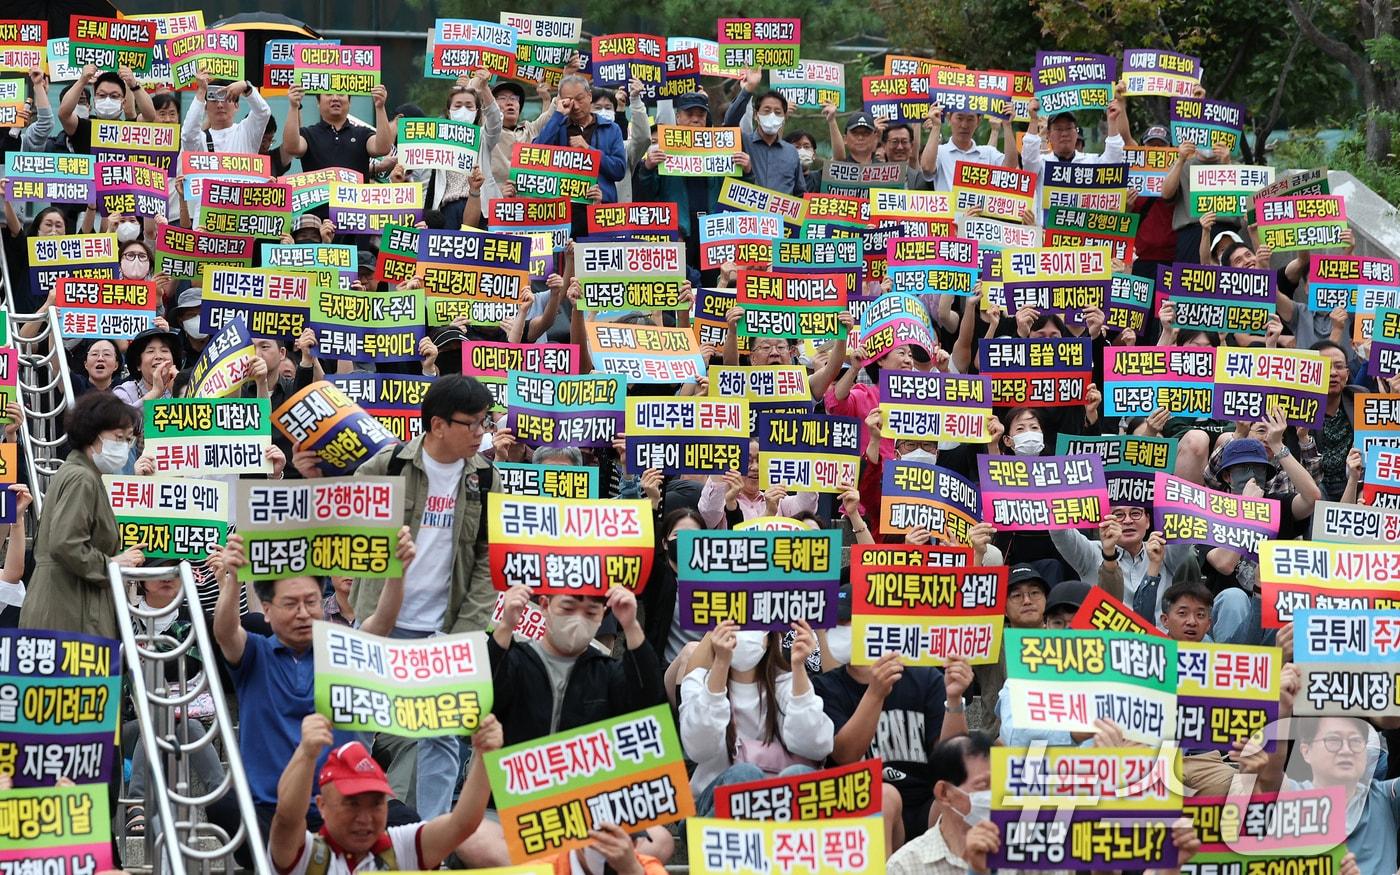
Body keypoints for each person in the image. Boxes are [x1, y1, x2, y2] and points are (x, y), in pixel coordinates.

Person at [211, 529, 418, 854]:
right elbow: (225, 630)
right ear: (266, 610)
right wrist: (233, 578)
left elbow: (381, 623)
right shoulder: (255, 654)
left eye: (310, 602)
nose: (303, 612)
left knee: (411, 829)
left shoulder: (342, 648)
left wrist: (398, 571)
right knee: (224, 808)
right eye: (290, 604)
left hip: (344, 806)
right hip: (272, 809)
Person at [269, 712, 501, 874]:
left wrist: (484, 756)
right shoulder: (306, 855)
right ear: (321, 806)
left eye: (376, 803)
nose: (365, 817)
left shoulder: (400, 846)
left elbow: (462, 824)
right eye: (352, 804)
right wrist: (307, 753)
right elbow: (287, 817)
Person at [813, 639, 972, 850]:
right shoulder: (826, 686)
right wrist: (875, 692)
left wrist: (954, 699)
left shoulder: (925, 678)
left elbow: (953, 762)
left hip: (925, 803)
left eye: (852, 621)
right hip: (861, 804)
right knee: (884, 797)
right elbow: (845, 755)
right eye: (840, 623)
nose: (847, 630)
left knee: (960, 796)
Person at [19, 392, 142, 640]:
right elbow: (66, 543)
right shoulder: (82, 478)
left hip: (65, 606)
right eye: (118, 438)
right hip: (70, 612)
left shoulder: (80, 473)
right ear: (91, 433)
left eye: (128, 440)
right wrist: (113, 564)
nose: (123, 447)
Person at [679, 621, 832, 814]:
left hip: (775, 806)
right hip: (712, 808)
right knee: (744, 775)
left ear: (768, 639)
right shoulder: (698, 681)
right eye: (734, 626)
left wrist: (799, 667)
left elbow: (818, 746)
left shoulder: (786, 684)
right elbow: (699, 749)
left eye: (752, 626)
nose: (743, 634)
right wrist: (721, 663)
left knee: (799, 775)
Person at [885, 732, 993, 875]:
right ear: (944, 793)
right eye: (982, 786)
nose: (992, 794)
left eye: (997, 784)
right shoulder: (905, 866)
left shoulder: (1017, 854)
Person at [534, 74, 627, 203]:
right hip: (562, 208)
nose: (576, 106)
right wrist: (557, 115)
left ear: (589, 96)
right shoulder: (558, 125)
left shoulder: (611, 128)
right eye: (569, 100)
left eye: (580, 99)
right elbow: (535, 155)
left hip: (598, 206)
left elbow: (619, 170)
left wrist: (589, 150)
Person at [283, 83, 395, 179]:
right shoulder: (309, 134)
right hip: (319, 202)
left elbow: (383, 148)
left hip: (354, 203)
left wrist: (380, 107)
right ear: (318, 102)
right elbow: (291, 147)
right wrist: (293, 106)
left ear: (349, 102)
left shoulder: (362, 134)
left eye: (341, 94)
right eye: (328, 94)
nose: (335, 98)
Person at [180, 72, 271, 155]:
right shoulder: (200, 139)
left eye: (226, 99)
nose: (219, 105)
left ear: (236, 105)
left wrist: (246, 87)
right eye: (214, 100)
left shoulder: (246, 132)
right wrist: (201, 91)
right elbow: (188, 136)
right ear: (205, 107)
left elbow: (263, 113)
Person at [113, 327, 181, 409]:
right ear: (138, 365)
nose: (158, 356)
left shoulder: (187, 388)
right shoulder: (124, 392)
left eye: (164, 350)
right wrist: (155, 393)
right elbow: (124, 420)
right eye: (150, 351)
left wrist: (180, 389)